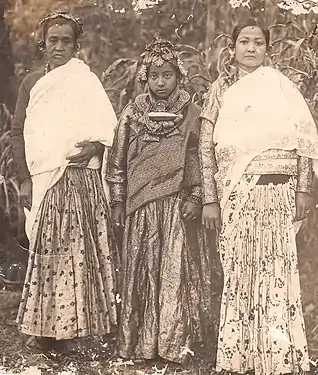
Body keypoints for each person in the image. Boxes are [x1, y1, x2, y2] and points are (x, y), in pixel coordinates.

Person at [199, 18, 318, 375]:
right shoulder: (220, 89)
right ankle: (242, 358)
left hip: (280, 192)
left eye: (258, 43)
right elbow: (206, 147)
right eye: (244, 42)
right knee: (241, 273)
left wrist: (303, 189)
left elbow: (304, 143)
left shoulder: (282, 87)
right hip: (238, 193)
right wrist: (210, 199)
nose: (251, 49)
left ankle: (279, 359)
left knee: (277, 271)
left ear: (268, 49)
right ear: (232, 48)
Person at [11, 10, 118, 351]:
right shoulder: (32, 83)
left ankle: (74, 329)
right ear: (43, 43)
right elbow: (18, 133)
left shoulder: (85, 79)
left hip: (78, 178)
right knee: (46, 252)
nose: (58, 47)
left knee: (78, 253)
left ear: (76, 46)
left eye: (66, 42)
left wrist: (94, 147)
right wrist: (25, 179)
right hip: (45, 177)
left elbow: (106, 127)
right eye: (52, 41)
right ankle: (42, 329)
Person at [107, 35, 212, 363]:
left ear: (178, 76)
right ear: (144, 78)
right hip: (141, 207)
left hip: (177, 206)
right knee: (143, 271)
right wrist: (118, 203)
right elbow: (118, 161)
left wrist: (196, 196)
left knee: (174, 272)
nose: (160, 82)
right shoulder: (132, 113)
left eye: (167, 75)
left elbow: (201, 157)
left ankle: (173, 346)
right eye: (154, 76)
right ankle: (142, 345)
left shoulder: (193, 112)